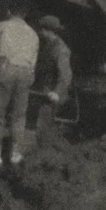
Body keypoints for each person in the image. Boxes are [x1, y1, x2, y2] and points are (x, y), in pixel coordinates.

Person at [0, 1, 38, 166]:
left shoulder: (2, 26)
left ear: (8, 11)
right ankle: (14, 153)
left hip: (6, 69)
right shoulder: (33, 33)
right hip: (26, 72)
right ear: (25, 14)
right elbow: (33, 62)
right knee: (19, 114)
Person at [33, 14, 73, 146]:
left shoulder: (61, 50)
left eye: (41, 29)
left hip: (53, 95)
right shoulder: (48, 45)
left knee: (43, 127)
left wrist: (57, 92)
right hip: (43, 91)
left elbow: (66, 75)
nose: (39, 32)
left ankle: (46, 154)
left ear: (47, 31)